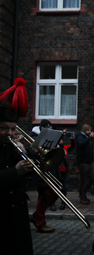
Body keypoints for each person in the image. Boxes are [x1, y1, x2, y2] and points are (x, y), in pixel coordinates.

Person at [0, 78, 34, 254]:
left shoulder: (12, 147)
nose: (10, 134)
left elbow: (31, 177)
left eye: (13, 129)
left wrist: (24, 156)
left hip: (18, 214)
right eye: (5, 128)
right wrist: (15, 171)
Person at [29, 119, 60, 233]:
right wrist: (36, 153)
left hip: (51, 170)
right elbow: (29, 152)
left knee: (54, 195)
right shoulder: (32, 136)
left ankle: (36, 216)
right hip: (41, 172)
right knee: (44, 197)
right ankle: (40, 223)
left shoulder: (50, 136)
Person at [50, 129, 76, 211]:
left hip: (65, 170)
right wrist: (62, 134)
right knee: (55, 187)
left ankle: (63, 203)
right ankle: (52, 203)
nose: (61, 141)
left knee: (64, 186)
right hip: (57, 170)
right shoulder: (54, 148)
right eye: (60, 140)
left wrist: (72, 138)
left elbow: (72, 146)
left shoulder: (65, 148)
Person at [75, 124, 94, 204]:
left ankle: (83, 192)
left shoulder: (86, 137)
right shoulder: (80, 136)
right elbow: (80, 144)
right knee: (83, 179)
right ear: (84, 130)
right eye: (88, 130)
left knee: (92, 178)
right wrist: (90, 138)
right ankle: (82, 196)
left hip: (89, 161)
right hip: (83, 162)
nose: (90, 131)